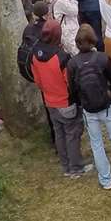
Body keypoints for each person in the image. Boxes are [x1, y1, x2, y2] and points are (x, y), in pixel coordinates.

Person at [67, 24, 111, 189]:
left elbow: (72, 88)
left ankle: (105, 179)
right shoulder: (103, 58)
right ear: (93, 40)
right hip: (108, 105)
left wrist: (81, 104)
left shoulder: (72, 64)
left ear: (77, 42)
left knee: (96, 143)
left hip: (89, 109)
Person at [29, 19, 88, 177]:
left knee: (59, 134)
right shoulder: (62, 57)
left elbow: (37, 80)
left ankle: (66, 166)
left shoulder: (35, 53)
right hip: (65, 101)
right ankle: (76, 168)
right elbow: (70, 82)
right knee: (72, 134)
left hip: (49, 100)